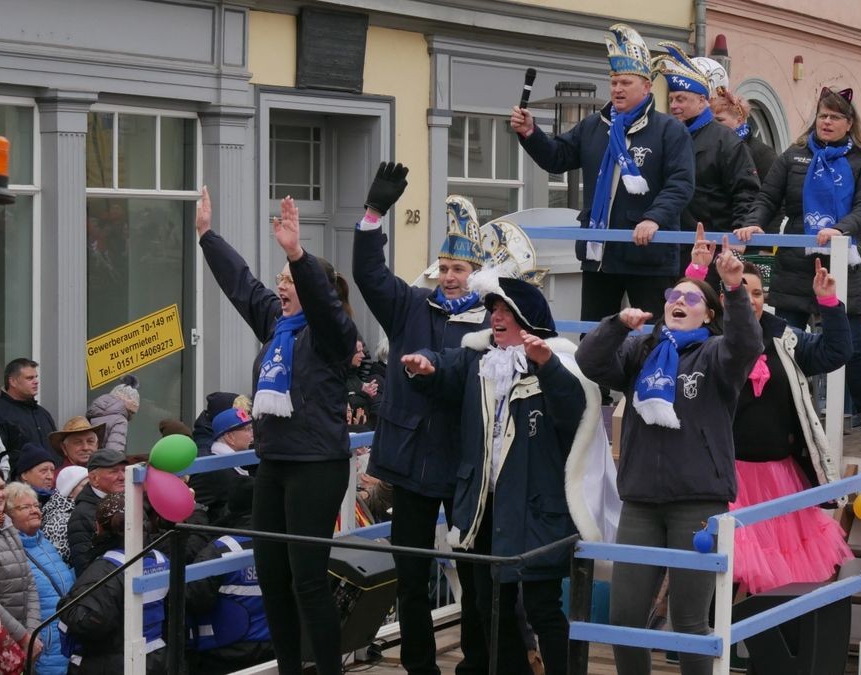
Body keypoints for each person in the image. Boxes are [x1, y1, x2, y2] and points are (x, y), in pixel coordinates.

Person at [402, 270, 604, 675]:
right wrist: (425, 367)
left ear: (526, 319)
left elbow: (574, 414)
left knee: (542, 606)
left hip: (534, 507)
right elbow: (445, 368)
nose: (495, 317)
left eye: (505, 310)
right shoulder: (479, 360)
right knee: (488, 605)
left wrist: (545, 366)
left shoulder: (557, 363)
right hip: (483, 506)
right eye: (492, 309)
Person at [576, 239, 761, 675]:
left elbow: (747, 344)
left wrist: (733, 287)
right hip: (640, 501)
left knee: (689, 622)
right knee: (624, 620)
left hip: (696, 502)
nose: (679, 301)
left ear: (708, 314)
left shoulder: (717, 355)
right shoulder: (640, 352)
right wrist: (617, 324)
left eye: (691, 298)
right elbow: (589, 359)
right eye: (672, 297)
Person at [198, 187, 357, 675]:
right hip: (275, 464)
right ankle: (289, 668)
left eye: (290, 280)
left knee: (307, 580)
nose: (281, 286)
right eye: (281, 279)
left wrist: (297, 254)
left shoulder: (333, 335)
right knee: (271, 575)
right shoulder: (276, 325)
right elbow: (241, 285)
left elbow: (325, 306)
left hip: (317, 466)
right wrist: (207, 236)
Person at [353, 169, 493, 675]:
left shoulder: (492, 320)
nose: (450, 276)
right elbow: (369, 275)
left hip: (464, 465)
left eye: (459, 268)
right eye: (445, 267)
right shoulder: (411, 305)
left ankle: (475, 662)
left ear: (475, 273)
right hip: (411, 461)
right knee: (410, 575)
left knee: (476, 576)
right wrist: (373, 216)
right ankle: (418, 667)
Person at [684, 238, 853, 591]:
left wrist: (829, 303)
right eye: (741, 290)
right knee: (722, 573)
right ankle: (709, 643)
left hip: (779, 478)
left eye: (758, 293)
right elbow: (677, 328)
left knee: (779, 579)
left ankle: (763, 642)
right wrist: (697, 273)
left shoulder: (785, 338)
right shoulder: (707, 340)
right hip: (725, 478)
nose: (751, 299)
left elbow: (836, 352)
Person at [511, 23, 695, 323]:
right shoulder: (594, 126)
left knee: (651, 338)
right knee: (595, 339)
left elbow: (681, 184)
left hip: (648, 257)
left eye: (625, 82)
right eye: (613, 82)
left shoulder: (669, 130)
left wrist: (654, 217)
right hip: (599, 254)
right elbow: (557, 158)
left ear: (646, 87)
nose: (617, 89)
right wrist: (531, 132)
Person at [737, 86, 861, 451]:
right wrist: (753, 222)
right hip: (794, 264)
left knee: (852, 348)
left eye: (835, 117)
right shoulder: (793, 156)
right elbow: (768, 198)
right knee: (786, 344)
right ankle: (789, 415)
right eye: (823, 115)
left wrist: (840, 229)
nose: (827, 122)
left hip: (842, 265)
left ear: (849, 124)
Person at [654, 44, 758, 246]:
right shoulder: (665, 135)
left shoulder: (726, 141)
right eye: (671, 99)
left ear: (702, 101)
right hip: (667, 244)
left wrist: (736, 244)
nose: (674, 106)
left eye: (681, 99)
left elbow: (746, 193)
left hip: (712, 243)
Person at [59, 493, 170, 674]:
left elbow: (89, 622)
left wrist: (65, 605)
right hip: (154, 657)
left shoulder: (106, 567)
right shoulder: (160, 559)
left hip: (112, 663)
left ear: (99, 526)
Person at [186, 481, 273, 674]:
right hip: (276, 644)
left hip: (224, 653)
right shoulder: (286, 540)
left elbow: (193, 599)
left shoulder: (219, 549)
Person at [6, 481, 74, 675]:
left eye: (36, 505)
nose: (35, 510)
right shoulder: (12, 549)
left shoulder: (44, 542)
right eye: (25, 507)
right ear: (9, 516)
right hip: (43, 640)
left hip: (65, 635)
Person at [0, 465, 43, 662]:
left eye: (1, 487)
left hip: (22, 637)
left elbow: (29, 582)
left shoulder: (7, 525)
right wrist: (23, 637)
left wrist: (32, 631)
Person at [0, 358, 57, 471]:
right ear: (13, 381)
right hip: (15, 484)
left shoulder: (43, 414)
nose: (36, 381)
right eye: (29, 378)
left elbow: (55, 450)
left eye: (36, 377)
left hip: (49, 482)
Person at [66, 447, 127, 574]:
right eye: (114, 471)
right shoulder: (82, 515)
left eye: (124, 470)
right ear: (94, 479)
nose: (122, 477)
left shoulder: (133, 502)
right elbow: (85, 568)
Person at [189, 407, 254, 526]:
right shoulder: (213, 470)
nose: (252, 434)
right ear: (230, 437)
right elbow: (192, 502)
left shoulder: (234, 465)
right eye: (247, 429)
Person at [711, 92, 778, 183]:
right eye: (711, 120)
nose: (714, 124)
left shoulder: (763, 153)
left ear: (739, 120)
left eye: (719, 120)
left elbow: (770, 191)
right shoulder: (709, 145)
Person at [40, 466, 87, 562]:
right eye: (85, 486)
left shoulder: (78, 512)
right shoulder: (60, 521)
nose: (90, 490)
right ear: (70, 492)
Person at [85, 375, 139, 454]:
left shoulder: (94, 412)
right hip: (104, 463)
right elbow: (114, 452)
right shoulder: (120, 420)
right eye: (131, 412)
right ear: (129, 408)